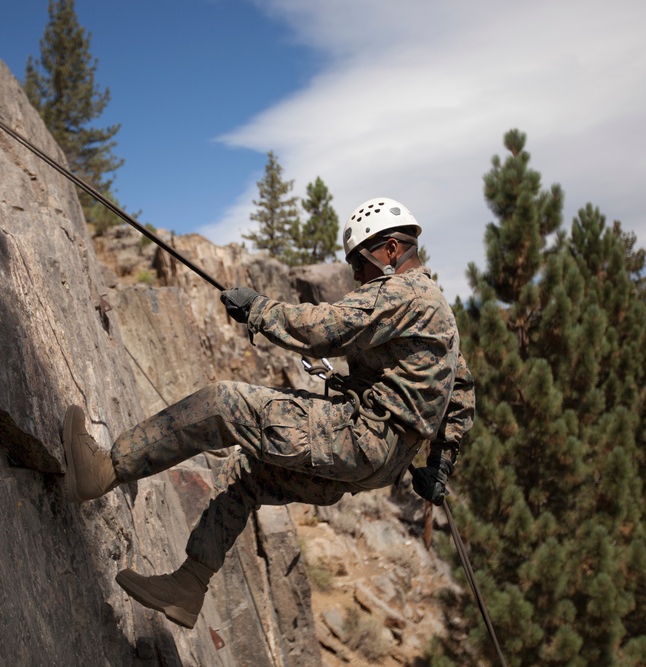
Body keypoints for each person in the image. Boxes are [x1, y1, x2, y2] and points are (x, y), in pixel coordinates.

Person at [61, 197, 475, 629]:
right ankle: (189, 585)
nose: (356, 275)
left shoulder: (403, 293)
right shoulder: (440, 312)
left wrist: (258, 310)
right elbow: (460, 390)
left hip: (358, 436)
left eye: (359, 262)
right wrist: (441, 464)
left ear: (391, 249)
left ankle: (104, 470)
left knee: (222, 404)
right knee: (248, 471)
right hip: (380, 464)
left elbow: (323, 329)